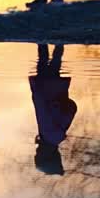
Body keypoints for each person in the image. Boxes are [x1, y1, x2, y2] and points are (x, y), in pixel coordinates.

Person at [28, 44, 76, 175]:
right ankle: (49, 38)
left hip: (51, 89)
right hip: (47, 89)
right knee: (47, 61)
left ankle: (54, 40)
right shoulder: (50, 136)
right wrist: (54, 104)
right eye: (38, 155)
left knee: (54, 61)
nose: (36, 152)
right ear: (46, 155)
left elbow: (68, 111)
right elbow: (44, 112)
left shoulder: (52, 137)